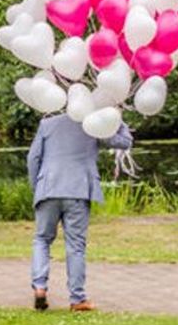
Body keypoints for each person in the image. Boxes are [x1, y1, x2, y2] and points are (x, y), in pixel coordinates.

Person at [27, 113, 133, 312]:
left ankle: (40, 288)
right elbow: (124, 142)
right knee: (75, 246)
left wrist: (37, 188)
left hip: (48, 189)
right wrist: (117, 117)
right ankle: (77, 299)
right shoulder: (92, 125)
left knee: (42, 239)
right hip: (78, 190)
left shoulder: (47, 123)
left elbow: (33, 158)